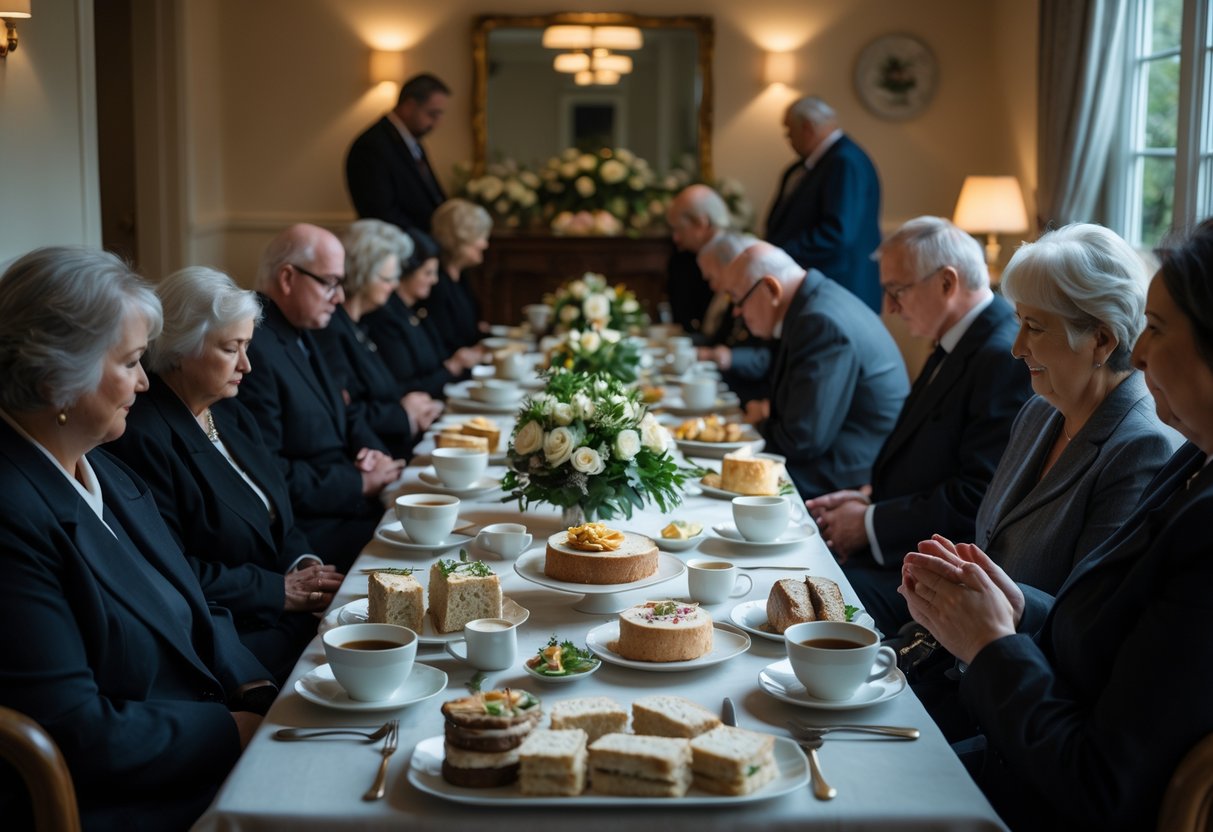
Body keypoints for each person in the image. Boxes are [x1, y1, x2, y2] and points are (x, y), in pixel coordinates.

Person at [898, 219, 1213, 831]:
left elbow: (1100, 781)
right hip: (1002, 728)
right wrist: (1011, 606)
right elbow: (1100, 626)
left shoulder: (1167, 470)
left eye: (1159, 328)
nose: (1139, 352)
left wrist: (993, 642)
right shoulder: (1192, 461)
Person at [0, 247, 274, 831]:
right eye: (129, 363)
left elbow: (194, 602)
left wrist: (255, 687)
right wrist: (231, 731)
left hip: (198, 732)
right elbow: (76, 732)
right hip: (126, 798)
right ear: (56, 378)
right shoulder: (11, 515)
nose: (147, 382)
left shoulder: (102, 466)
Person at [108, 267, 346, 682]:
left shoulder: (230, 409)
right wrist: (279, 591)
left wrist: (306, 564)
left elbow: (276, 510)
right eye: (230, 348)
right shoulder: (143, 436)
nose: (247, 365)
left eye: (248, 346)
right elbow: (172, 571)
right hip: (231, 633)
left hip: (281, 612)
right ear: (180, 348)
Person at [807, 217, 1031, 634]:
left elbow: (977, 500)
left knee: (810, 597)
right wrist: (864, 499)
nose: (890, 306)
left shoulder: (1000, 355)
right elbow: (930, 460)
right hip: (900, 544)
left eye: (897, 290)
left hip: (933, 576)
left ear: (947, 283)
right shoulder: (960, 338)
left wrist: (869, 523)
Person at [238, 224, 405, 567]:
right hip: (314, 530)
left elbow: (347, 412)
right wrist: (357, 482)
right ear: (287, 278)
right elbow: (266, 474)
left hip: (346, 508)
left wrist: (370, 452)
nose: (340, 296)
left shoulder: (306, 327)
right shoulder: (254, 350)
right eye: (330, 282)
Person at [722, 242, 908, 495]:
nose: (736, 312)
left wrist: (760, 422)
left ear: (770, 288)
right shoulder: (815, 303)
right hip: (835, 454)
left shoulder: (819, 321)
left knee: (718, 476)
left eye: (738, 299)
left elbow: (802, 440)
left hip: (845, 473)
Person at [314, 219, 444, 456]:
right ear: (362, 276)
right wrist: (404, 415)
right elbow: (348, 412)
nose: (394, 286)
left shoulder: (359, 324)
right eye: (386, 279)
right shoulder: (331, 329)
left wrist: (413, 408)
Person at [766, 95, 882, 312]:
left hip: (840, 288)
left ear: (807, 128)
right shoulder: (814, 164)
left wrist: (778, 253)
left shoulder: (844, 162)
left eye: (790, 132)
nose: (789, 139)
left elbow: (837, 233)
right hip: (827, 286)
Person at [364, 229, 482, 399]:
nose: (434, 280)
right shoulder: (386, 318)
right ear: (405, 273)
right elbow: (405, 386)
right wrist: (452, 367)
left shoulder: (417, 311)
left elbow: (437, 362)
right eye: (427, 273)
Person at [346, 73, 450, 233]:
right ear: (409, 106)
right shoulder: (371, 145)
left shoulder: (414, 144)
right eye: (432, 114)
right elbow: (380, 212)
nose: (437, 123)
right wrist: (426, 243)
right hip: (397, 247)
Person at [427, 198, 491, 353]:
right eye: (480, 236)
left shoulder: (461, 276)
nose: (485, 244)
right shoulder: (436, 282)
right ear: (460, 238)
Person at [666, 184, 728, 334]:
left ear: (702, 223)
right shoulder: (684, 258)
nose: (675, 238)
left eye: (679, 228)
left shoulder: (735, 257)